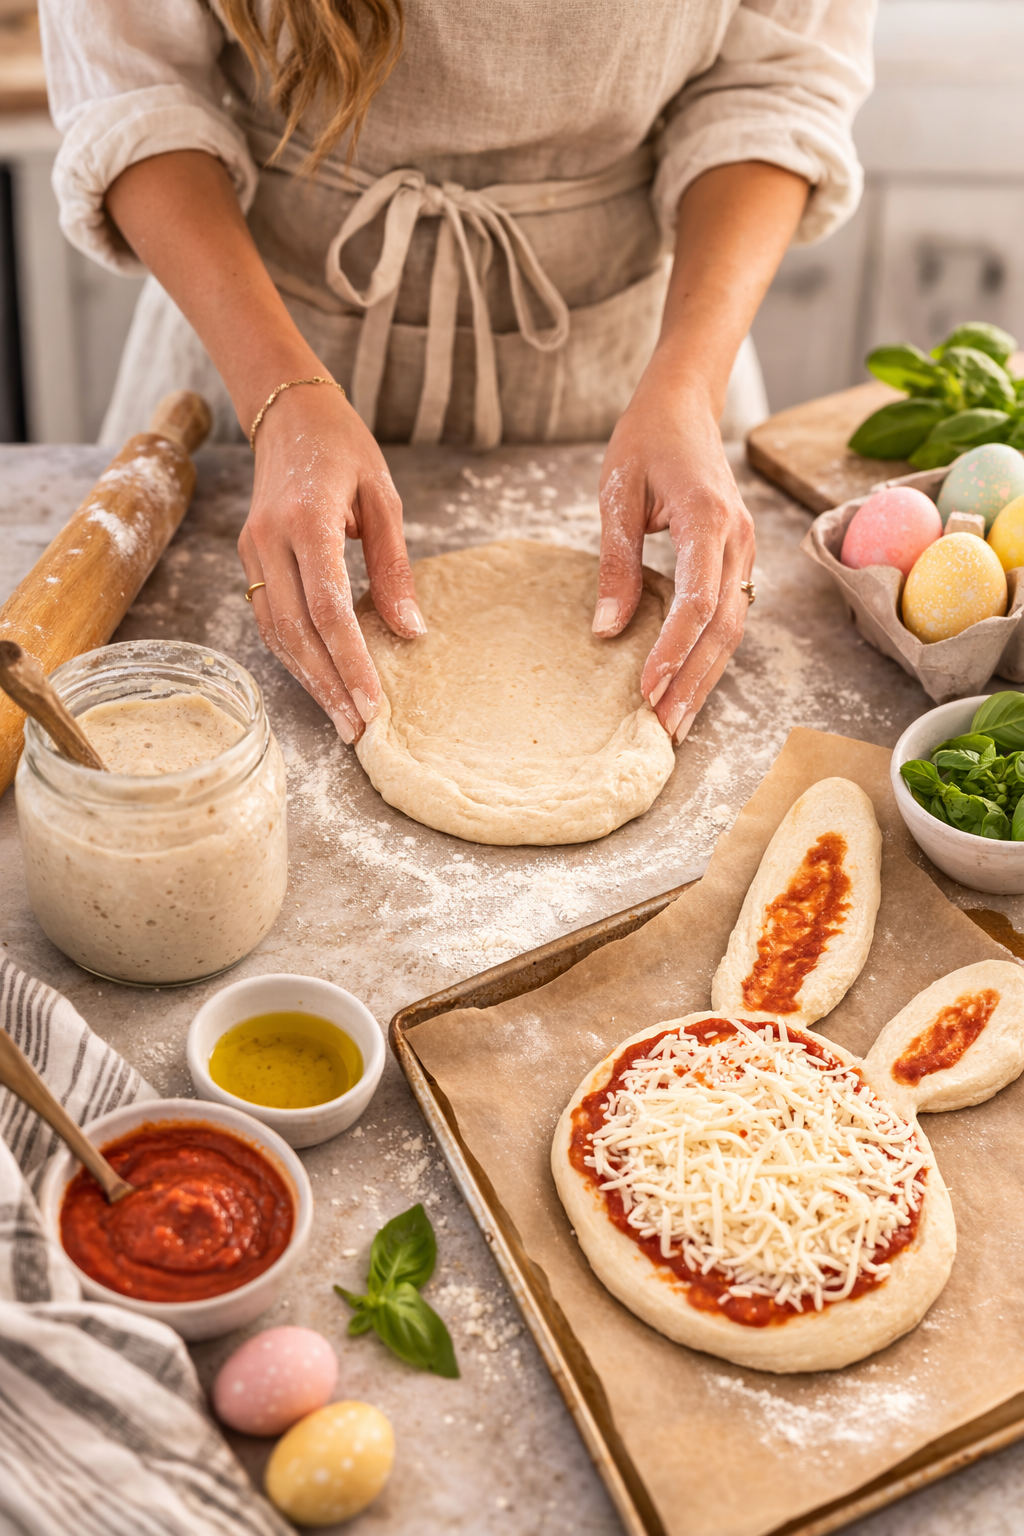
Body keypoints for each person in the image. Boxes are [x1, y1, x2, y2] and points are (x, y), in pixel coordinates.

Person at [41, 1, 873, 746]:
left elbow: (775, 85)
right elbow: (132, 87)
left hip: (639, 348)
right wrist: (279, 395)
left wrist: (690, 381)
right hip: (260, 329)